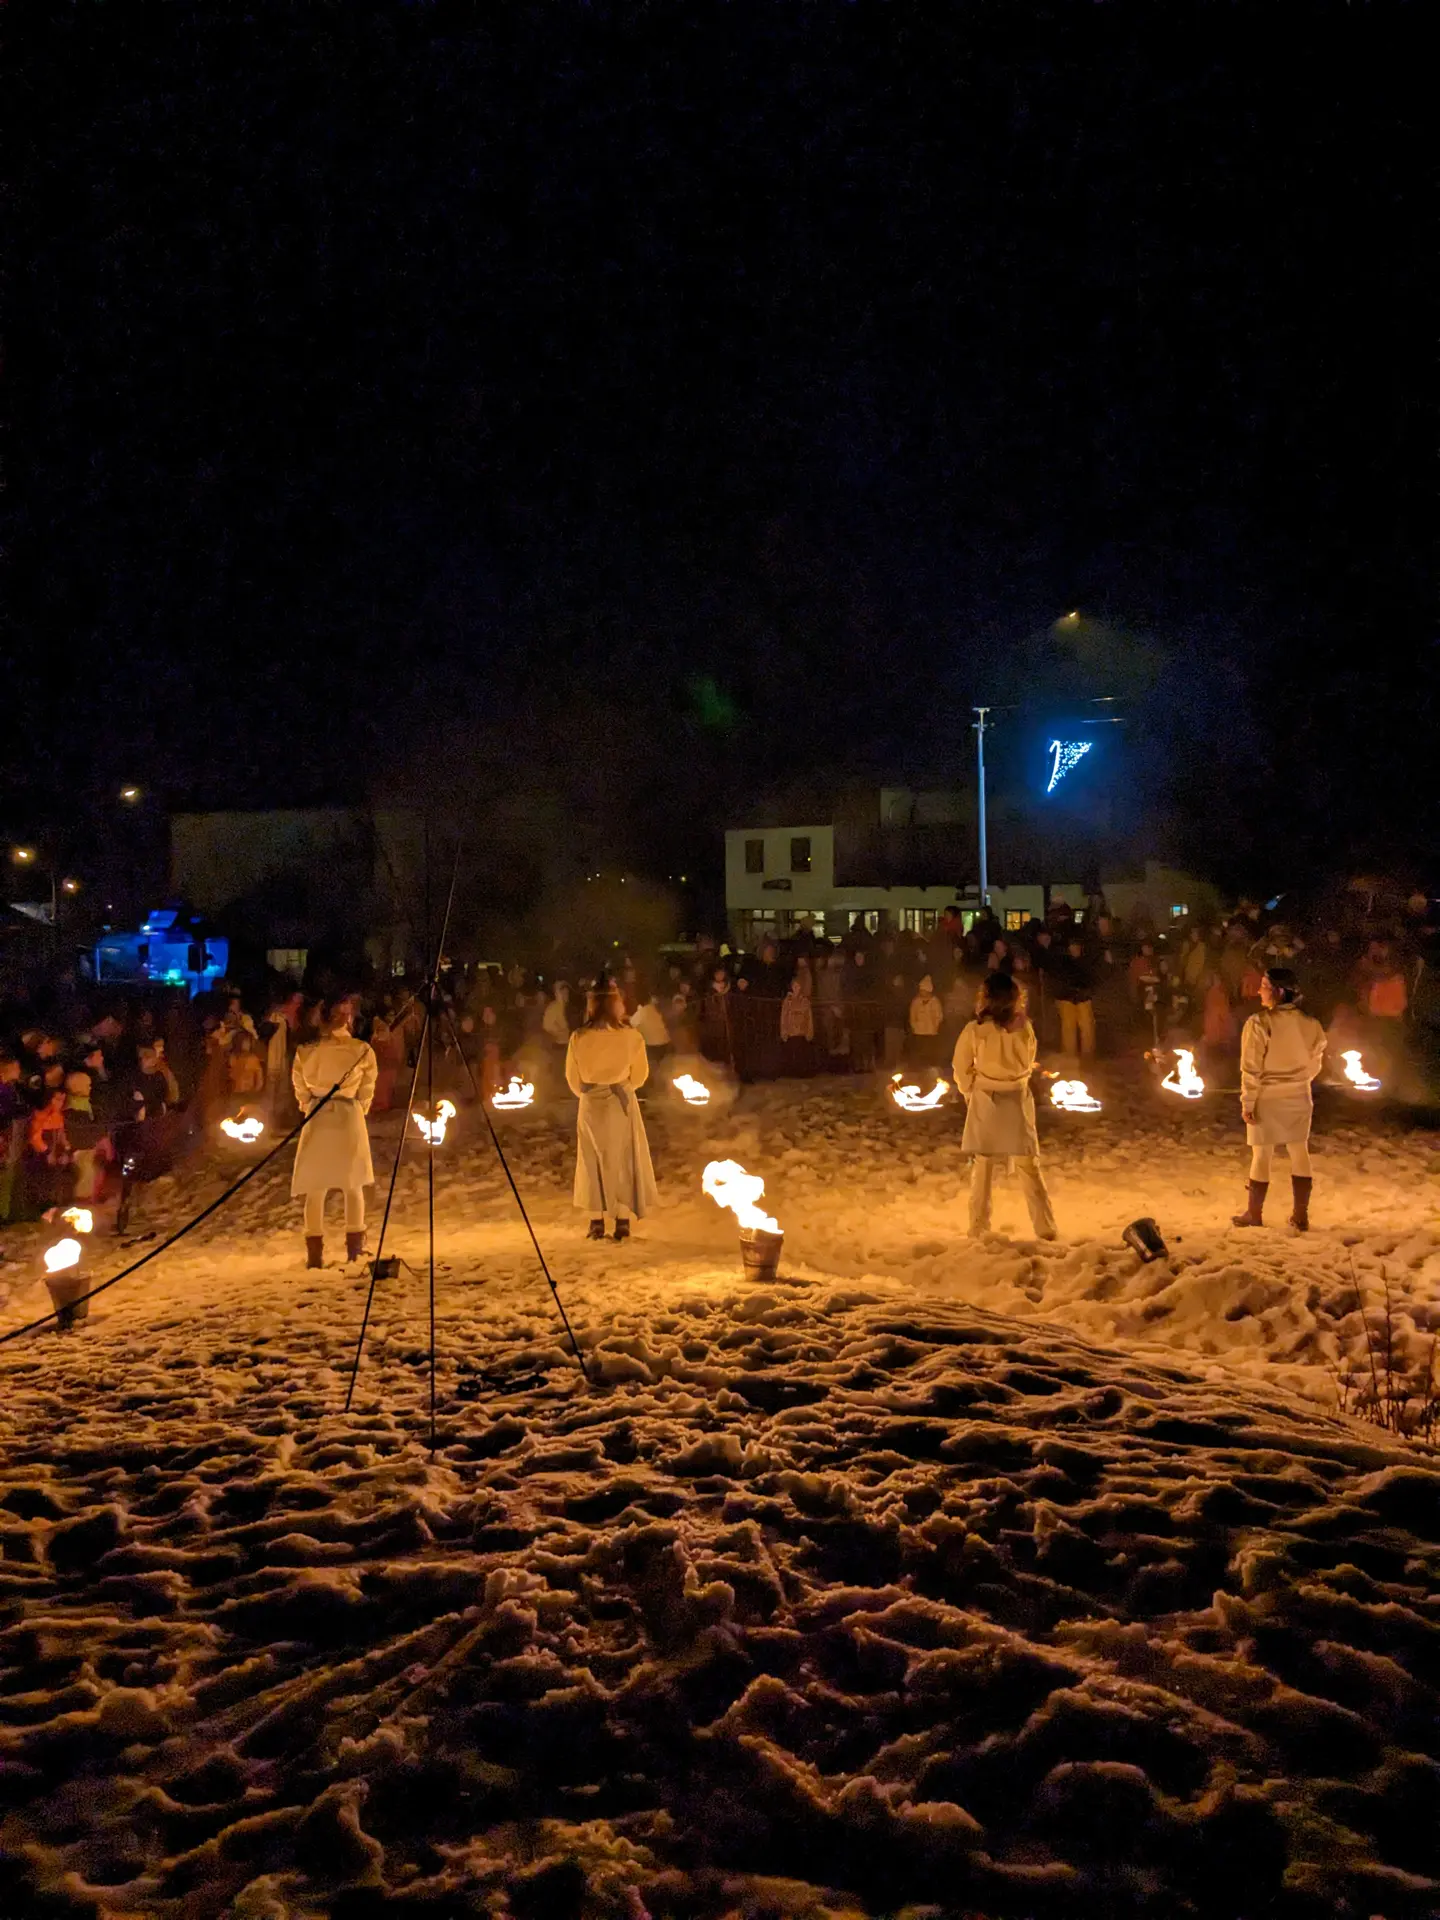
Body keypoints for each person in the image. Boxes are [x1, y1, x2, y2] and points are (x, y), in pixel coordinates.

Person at [952, 973, 1056, 1241]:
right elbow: (1028, 1061)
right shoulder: (1025, 1028)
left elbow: (961, 1067)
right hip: (1016, 1100)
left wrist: (968, 1092)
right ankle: (1045, 1228)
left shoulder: (975, 1030)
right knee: (1028, 1166)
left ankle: (979, 1227)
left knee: (983, 1167)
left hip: (986, 1098)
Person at [1233, 967, 1327, 1232]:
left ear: (1279, 991)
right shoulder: (1312, 1024)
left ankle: (1254, 1214)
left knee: (1262, 1153)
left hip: (1267, 1097)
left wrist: (1248, 1102)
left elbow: (1250, 1068)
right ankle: (1300, 1216)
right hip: (1299, 1095)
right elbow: (1315, 1064)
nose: (1258, 990)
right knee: (1299, 1150)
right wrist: (1297, 1079)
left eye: (1264, 985)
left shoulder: (1259, 1023)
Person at [565, 976, 657, 1241]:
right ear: (617, 1003)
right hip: (620, 1103)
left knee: (592, 1160)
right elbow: (639, 1076)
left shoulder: (579, 1037)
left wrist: (591, 1093)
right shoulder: (631, 1036)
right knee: (622, 1162)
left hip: (592, 1104)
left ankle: (596, 1219)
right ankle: (622, 1220)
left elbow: (573, 1078)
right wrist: (622, 1086)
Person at [290, 999, 378, 1270]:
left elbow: (299, 1085)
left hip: (317, 1115)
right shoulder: (361, 1050)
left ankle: (315, 1256)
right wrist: (358, 1108)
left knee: (316, 1187)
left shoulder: (306, 1051)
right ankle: (354, 1249)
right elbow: (368, 1085)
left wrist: (309, 1106)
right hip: (348, 1114)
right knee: (352, 1184)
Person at [1051, 938, 1097, 1059]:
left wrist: (1084, 991)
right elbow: (1059, 981)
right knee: (1068, 1028)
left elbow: (1092, 979)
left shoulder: (1086, 962)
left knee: (1087, 1027)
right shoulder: (1062, 963)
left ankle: (1088, 1056)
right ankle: (1068, 1056)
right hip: (1066, 997)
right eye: (1072, 947)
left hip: (1083, 997)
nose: (1074, 949)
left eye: (1077, 947)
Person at [907, 973, 945, 1067]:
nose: (921, 992)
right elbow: (912, 1015)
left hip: (931, 1032)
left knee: (930, 1052)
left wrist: (934, 1025)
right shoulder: (916, 1001)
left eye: (923, 990)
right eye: (921, 990)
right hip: (918, 1032)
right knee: (919, 1051)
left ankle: (930, 1067)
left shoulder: (935, 1002)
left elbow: (939, 1016)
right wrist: (915, 1026)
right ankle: (918, 1067)